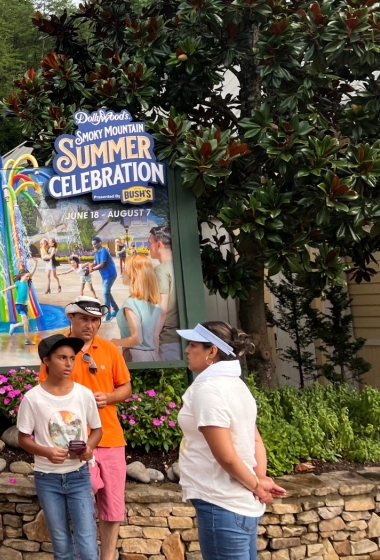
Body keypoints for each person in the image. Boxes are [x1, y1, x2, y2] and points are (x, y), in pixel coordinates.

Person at [177, 322, 287, 560]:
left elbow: (225, 455)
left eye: (193, 345)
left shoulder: (208, 390)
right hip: (238, 503)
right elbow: (255, 438)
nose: (187, 350)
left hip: (222, 503)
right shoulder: (236, 385)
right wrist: (259, 479)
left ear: (212, 351)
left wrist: (258, 486)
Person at [39, 297, 132, 560]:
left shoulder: (111, 350)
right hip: (75, 443)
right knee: (82, 499)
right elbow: (44, 391)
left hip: (111, 438)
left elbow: (125, 387)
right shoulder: (58, 349)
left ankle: (107, 557)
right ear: (71, 319)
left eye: (94, 320)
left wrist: (109, 397)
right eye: (84, 319)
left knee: (113, 506)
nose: (90, 325)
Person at [18, 334, 103, 560]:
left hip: (79, 475)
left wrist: (88, 449)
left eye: (72, 358)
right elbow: (23, 438)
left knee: (87, 545)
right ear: (46, 360)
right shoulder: (33, 398)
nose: (68, 364)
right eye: (61, 358)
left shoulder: (83, 394)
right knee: (61, 544)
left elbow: (97, 430)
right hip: (47, 477)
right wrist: (46, 451)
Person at [112, 255, 161, 362]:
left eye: (125, 268)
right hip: (153, 356)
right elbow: (155, 337)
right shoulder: (155, 305)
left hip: (134, 356)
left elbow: (137, 339)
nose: (122, 272)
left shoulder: (131, 303)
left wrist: (115, 342)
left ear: (133, 274)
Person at [149, 225, 181, 360]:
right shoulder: (180, 267)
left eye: (149, 243)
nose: (148, 247)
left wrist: (154, 337)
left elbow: (162, 308)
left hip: (168, 340)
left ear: (159, 244)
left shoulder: (160, 270)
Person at [90, 237, 118, 319]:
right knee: (107, 292)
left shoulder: (104, 251)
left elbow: (102, 264)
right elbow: (95, 263)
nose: (94, 246)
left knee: (105, 293)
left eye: (95, 244)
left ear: (100, 243)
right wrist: (88, 267)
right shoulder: (96, 253)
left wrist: (92, 269)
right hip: (105, 276)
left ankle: (108, 314)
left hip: (110, 274)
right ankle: (116, 310)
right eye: (93, 244)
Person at [7, 269, 35, 345]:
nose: (28, 278)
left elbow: (32, 273)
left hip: (25, 305)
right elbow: (12, 287)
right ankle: (27, 339)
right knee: (26, 322)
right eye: (26, 276)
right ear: (22, 276)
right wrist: (5, 290)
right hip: (19, 305)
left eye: (28, 277)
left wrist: (35, 264)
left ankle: (14, 327)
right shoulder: (18, 283)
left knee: (25, 323)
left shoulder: (26, 282)